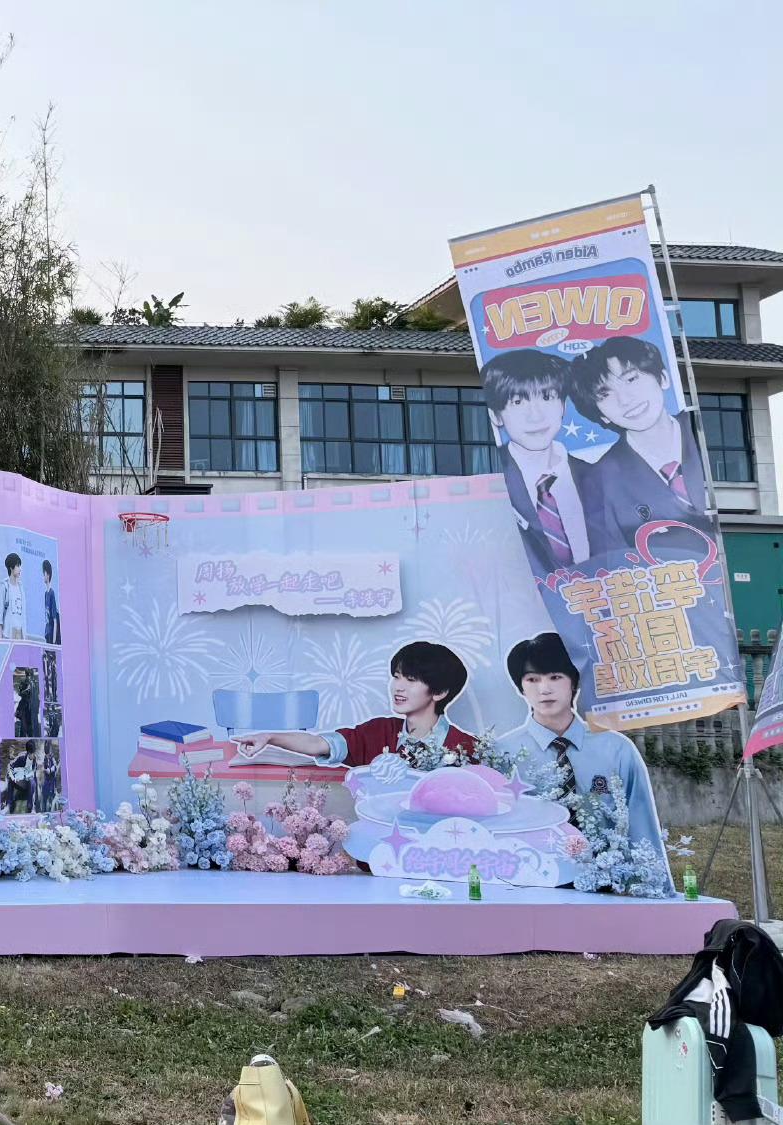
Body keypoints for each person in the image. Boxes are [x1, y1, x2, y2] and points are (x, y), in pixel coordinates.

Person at [491, 632, 672, 894]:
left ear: (574, 681)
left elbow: (642, 828)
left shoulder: (616, 750)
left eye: (555, 677)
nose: (544, 689)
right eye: (532, 679)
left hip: (607, 888)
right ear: (520, 687)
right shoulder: (501, 753)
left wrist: (655, 892)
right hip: (527, 888)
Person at [232, 641, 475, 775]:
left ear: (439, 692)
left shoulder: (466, 747)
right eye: (396, 677)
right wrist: (269, 737)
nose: (398, 687)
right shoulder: (378, 731)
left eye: (410, 680)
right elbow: (318, 744)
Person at [570, 336, 710, 556]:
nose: (625, 399)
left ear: (663, 378)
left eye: (631, 379)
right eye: (605, 394)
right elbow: (610, 559)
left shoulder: (704, 431)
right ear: (601, 415)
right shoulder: (602, 478)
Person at [482, 348, 591, 572]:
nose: (536, 415)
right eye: (518, 402)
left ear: (563, 406)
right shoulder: (489, 479)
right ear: (496, 415)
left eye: (547, 397)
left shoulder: (597, 475)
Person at [0, 553, 26, 640]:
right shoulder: (4, 586)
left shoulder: (21, 588)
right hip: (8, 633)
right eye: (18, 566)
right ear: (11, 568)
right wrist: (0, 639)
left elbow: (23, 615)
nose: (20, 569)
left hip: (20, 633)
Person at [1, 740, 32, 813]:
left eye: (12, 750)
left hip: (20, 779)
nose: (11, 752)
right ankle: (7, 804)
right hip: (11, 778)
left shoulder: (19, 758)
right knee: (7, 787)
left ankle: (9, 804)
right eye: (10, 751)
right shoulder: (10, 760)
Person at [13, 670, 40, 738]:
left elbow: (37, 696)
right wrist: (26, 690)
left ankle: (32, 736)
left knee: (31, 724)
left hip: (32, 707)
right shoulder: (24, 683)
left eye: (30, 676)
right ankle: (23, 736)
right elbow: (20, 693)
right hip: (24, 707)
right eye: (28, 675)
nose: (29, 677)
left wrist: (37, 707)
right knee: (24, 724)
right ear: (26, 676)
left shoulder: (34, 684)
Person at [42, 559, 60, 645]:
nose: (43, 576)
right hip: (47, 633)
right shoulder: (46, 594)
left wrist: (54, 641)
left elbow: (55, 619)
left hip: (52, 634)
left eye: (44, 574)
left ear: (48, 574)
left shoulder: (52, 593)